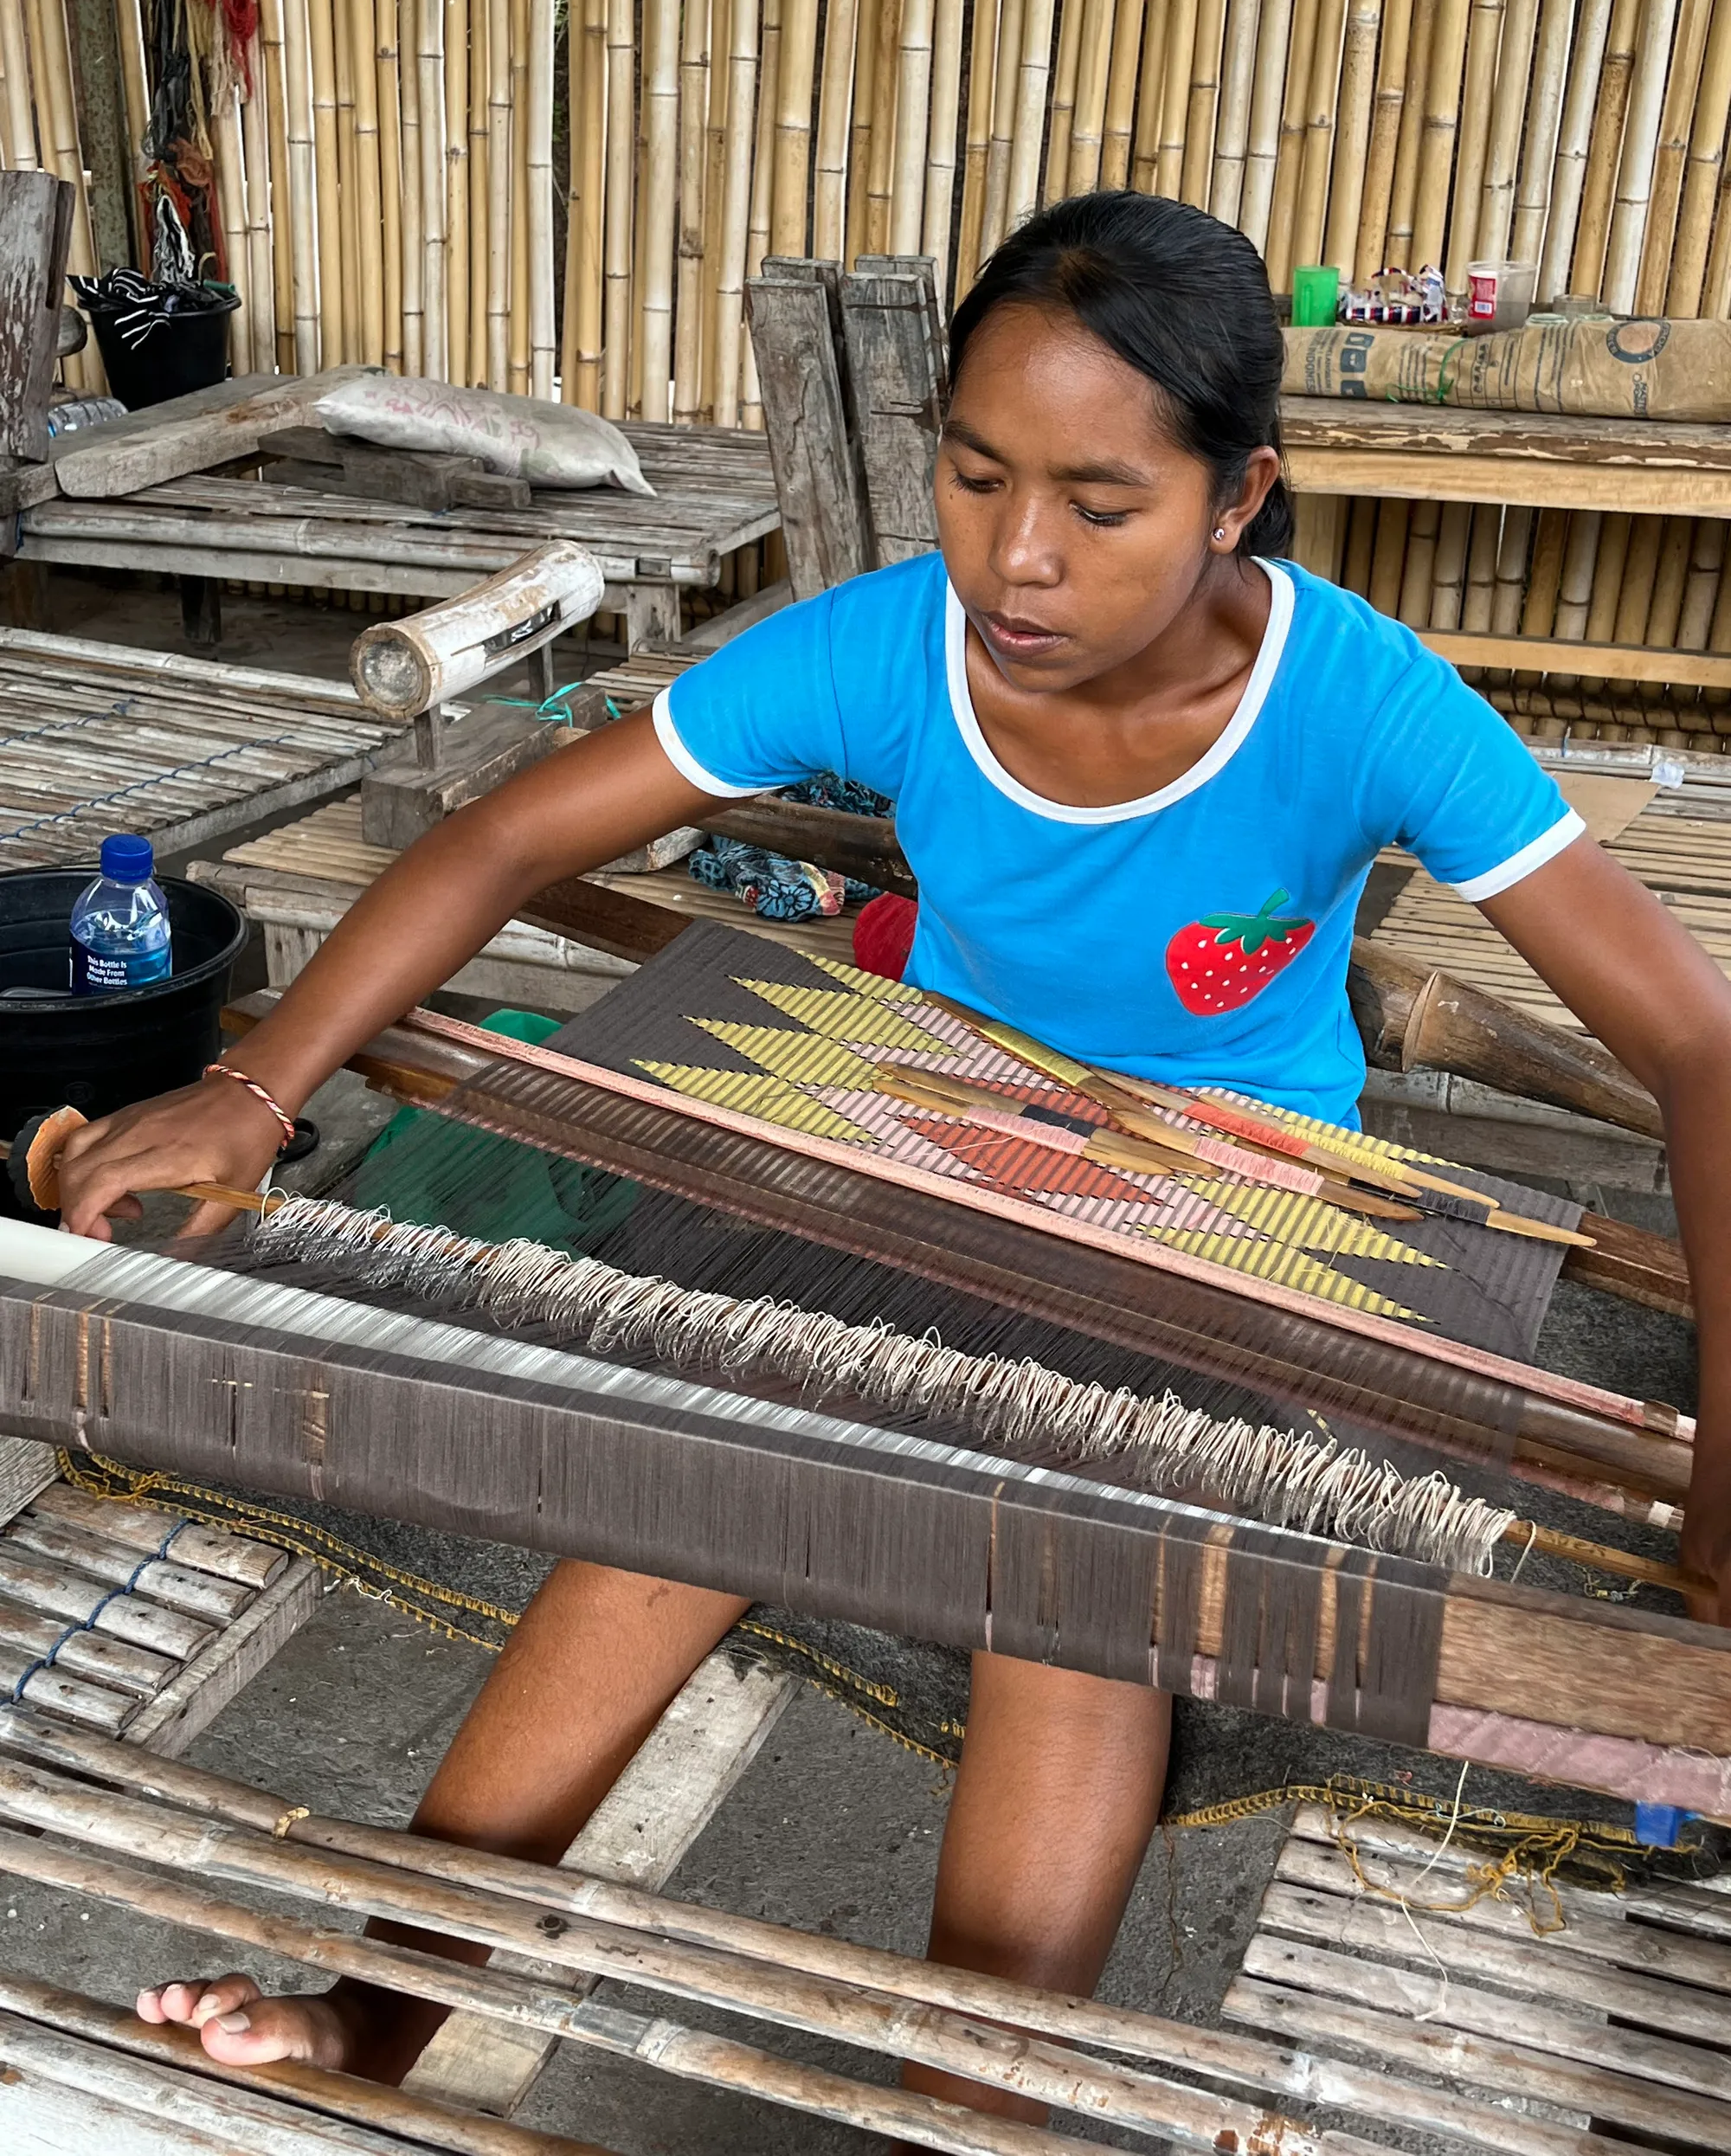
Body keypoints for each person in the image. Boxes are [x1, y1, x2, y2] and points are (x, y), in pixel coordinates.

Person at [57, 190, 1731, 2121]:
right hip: (915, 1121)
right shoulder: (888, 648)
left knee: (1079, 1564)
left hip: (1243, 1190)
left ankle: (974, 2097)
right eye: (973, 473)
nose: (1016, 559)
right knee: (702, 1471)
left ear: (1237, 495)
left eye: (1100, 504)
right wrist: (256, 1089)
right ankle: (384, 2009)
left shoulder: (1356, 706)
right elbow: (513, 837)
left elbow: (1692, 1040)